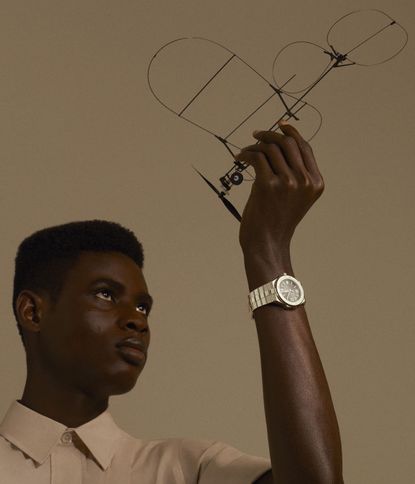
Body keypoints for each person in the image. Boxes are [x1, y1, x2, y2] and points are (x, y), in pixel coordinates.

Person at [0, 121, 344, 483]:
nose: (136, 321)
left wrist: (267, 251)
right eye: (105, 294)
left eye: (142, 306)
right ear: (33, 311)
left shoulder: (188, 467)